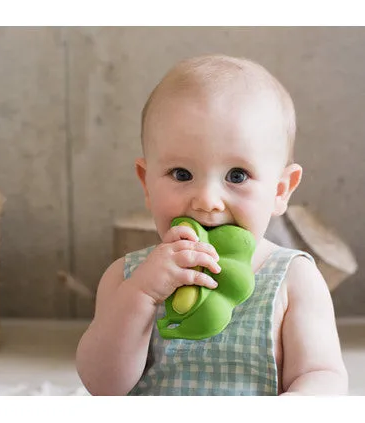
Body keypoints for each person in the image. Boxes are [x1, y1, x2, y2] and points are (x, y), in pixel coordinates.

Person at [76, 54, 348, 396]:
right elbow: (102, 386)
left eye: (237, 175)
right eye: (182, 174)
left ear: (280, 190)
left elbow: (323, 376)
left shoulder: (294, 280)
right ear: (147, 183)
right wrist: (142, 295)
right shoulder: (125, 277)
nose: (206, 200)